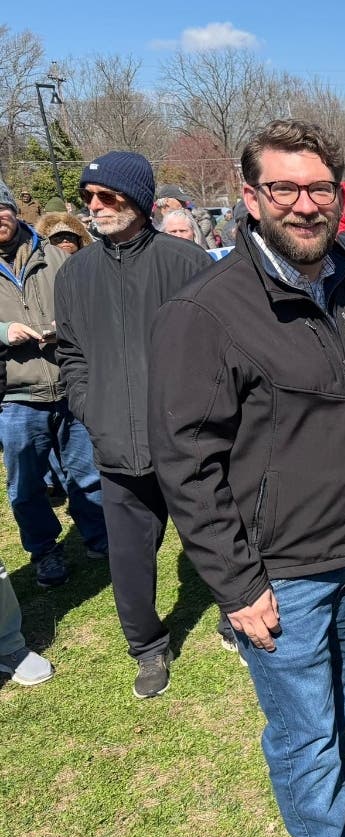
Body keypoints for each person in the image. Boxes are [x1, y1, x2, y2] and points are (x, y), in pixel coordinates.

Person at [148, 119, 345, 837]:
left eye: (319, 189)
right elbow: (187, 463)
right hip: (278, 571)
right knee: (303, 730)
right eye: (284, 188)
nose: (304, 205)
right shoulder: (207, 312)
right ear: (250, 197)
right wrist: (238, 584)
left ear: (341, 196)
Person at [54, 151, 212, 698]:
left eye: (108, 196)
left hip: (185, 441)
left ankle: (235, 616)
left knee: (214, 538)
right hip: (115, 445)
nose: (95, 207)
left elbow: (217, 346)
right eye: (89, 197)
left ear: (139, 201)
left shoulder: (186, 262)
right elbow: (71, 352)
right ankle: (147, 647)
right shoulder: (75, 273)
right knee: (128, 559)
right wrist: (88, 404)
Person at [0, 180, 108, 587]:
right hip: (15, 397)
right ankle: (45, 552)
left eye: (1, 208)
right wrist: (3, 330)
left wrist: (69, 324)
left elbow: (93, 304)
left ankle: (100, 538)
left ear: (13, 209)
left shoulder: (55, 256)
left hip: (70, 385)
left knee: (88, 473)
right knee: (26, 487)